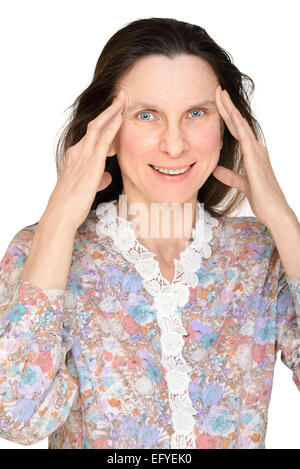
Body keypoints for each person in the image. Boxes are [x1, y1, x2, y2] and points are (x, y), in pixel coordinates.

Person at [0, 17, 299, 450]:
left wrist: (284, 220)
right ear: (107, 131)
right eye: (146, 115)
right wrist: (60, 219)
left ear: (228, 128)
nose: (175, 145)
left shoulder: (261, 255)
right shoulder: (42, 251)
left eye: (196, 113)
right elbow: (16, 418)